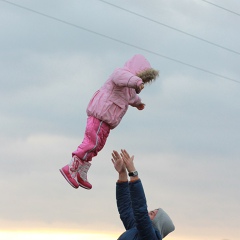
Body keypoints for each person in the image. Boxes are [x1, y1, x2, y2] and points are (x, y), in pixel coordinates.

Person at [60, 54, 159, 190]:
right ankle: (70, 168)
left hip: (107, 121)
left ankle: (81, 171)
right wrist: (137, 82)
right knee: (91, 143)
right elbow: (124, 78)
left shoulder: (128, 89)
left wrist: (138, 103)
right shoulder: (120, 74)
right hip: (101, 114)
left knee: (97, 146)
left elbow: (132, 97)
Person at [111, 149, 175, 239]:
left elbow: (140, 211)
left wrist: (133, 174)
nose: (148, 212)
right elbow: (125, 208)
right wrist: (122, 174)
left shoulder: (150, 237)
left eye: (152, 213)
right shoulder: (137, 230)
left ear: (158, 223)